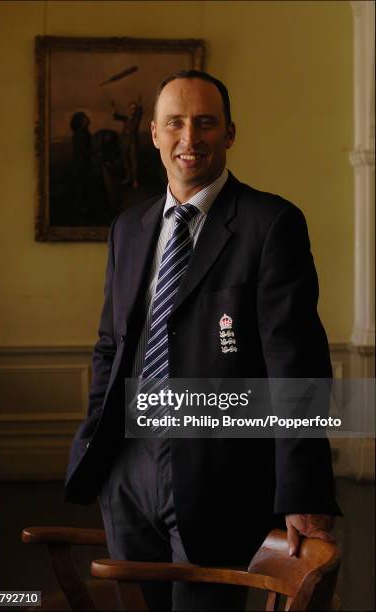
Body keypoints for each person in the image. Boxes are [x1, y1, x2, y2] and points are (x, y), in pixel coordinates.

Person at [65, 70, 341, 611]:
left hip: (222, 476)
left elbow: (296, 364)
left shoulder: (271, 223)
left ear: (230, 133)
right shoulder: (129, 227)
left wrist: (305, 493)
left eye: (205, 123)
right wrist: (97, 444)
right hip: (127, 472)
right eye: (175, 123)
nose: (189, 139)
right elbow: (110, 346)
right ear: (154, 134)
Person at [111, 96, 143, 189]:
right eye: (131, 108)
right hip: (125, 140)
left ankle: (135, 180)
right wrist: (113, 107)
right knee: (125, 159)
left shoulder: (137, 117)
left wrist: (140, 102)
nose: (132, 109)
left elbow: (140, 111)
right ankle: (128, 177)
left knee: (133, 160)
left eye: (134, 108)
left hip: (133, 140)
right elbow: (116, 116)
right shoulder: (126, 118)